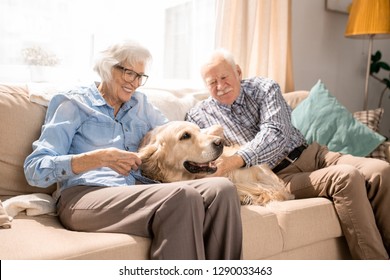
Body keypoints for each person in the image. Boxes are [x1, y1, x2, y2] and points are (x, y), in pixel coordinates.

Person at [23, 41, 242, 260]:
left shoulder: (140, 105)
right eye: (129, 74)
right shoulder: (72, 103)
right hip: (84, 195)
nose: (135, 83)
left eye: (140, 76)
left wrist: (205, 136)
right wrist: (98, 158)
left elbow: (173, 135)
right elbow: (35, 170)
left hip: (138, 190)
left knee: (222, 189)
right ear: (107, 68)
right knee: (183, 196)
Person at [185, 48, 390, 260]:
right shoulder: (198, 116)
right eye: (212, 82)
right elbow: (195, 153)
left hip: (314, 154)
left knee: (380, 170)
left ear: (238, 71)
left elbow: (276, 133)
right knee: (346, 177)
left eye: (224, 77)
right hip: (277, 177)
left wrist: (234, 161)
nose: (220, 86)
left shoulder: (264, 88)